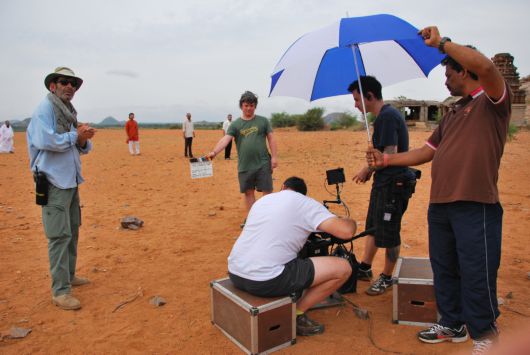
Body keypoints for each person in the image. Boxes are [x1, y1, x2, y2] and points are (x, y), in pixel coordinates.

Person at [367, 26, 511, 353]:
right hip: (441, 205)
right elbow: (426, 152)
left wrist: (443, 43)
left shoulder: (493, 101)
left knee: (476, 270)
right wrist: (386, 160)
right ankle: (451, 323)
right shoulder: (453, 112)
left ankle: (485, 334)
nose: (445, 80)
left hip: (477, 205)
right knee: (444, 267)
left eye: (448, 72)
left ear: (465, 70)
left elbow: (488, 67)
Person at [228, 176, 357, 336]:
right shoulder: (305, 203)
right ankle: (297, 313)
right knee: (343, 268)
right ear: (303, 194)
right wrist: (349, 221)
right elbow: (346, 232)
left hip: (235, 273)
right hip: (266, 280)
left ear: (283, 187)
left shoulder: (262, 201)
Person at [26, 66, 96, 310]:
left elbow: (78, 147)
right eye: (64, 82)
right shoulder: (45, 110)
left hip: (70, 181)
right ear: (52, 86)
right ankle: (60, 291)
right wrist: (75, 136)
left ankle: (69, 276)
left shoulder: (68, 112)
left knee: (73, 230)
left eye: (74, 84)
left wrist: (83, 138)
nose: (70, 87)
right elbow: (45, 140)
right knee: (58, 236)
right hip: (54, 182)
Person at [348, 76, 416, 296]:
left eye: (358, 99)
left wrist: (367, 168)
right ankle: (365, 267)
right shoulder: (384, 117)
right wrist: (371, 168)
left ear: (369, 96)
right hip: (383, 183)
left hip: (393, 186)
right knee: (375, 226)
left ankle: (387, 276)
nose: (356, 104)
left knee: (389, 231)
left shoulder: (387, 117)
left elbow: (390, 154)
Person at [208, 91, 278, 213]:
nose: (249, 108)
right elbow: (226, 139)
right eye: (246, 105)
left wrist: (274, 157)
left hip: (263, 163)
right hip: (245, 165)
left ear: (255, 106)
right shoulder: (235, 125)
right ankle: (251, 219)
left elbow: (271, 138)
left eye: (251, 105)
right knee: (249, 193)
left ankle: (267, 219)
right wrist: (214, 152)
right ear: (241, 106)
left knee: (267, 192)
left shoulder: (263, 121)